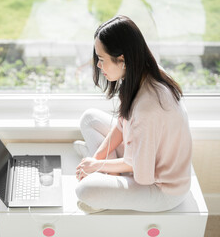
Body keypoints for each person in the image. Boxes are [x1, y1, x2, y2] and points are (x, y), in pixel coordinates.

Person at [74, 15, 192, 213]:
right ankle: (106, 174)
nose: (98, 65)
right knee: (89, 118)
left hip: (161, 188)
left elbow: (141, 171)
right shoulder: (142, 72)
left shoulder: (148, 107)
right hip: (143, 153)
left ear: (123, 60)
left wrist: (96, 166)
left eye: (102, 59)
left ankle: (105, 183)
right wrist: (97, 159)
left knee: (84, 190)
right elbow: (122, 124)